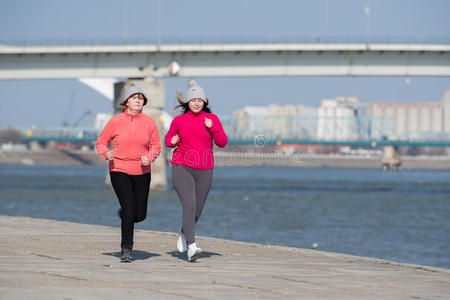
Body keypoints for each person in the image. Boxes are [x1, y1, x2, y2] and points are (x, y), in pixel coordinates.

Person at [96, 83, 161, 263]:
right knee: (130, 208)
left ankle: (125, 214)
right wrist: (106, 153)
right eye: (135, 98)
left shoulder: (149, 122)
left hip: (142, 171)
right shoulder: (116, 121)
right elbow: (101, 142)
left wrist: (150, 156)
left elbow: (156, 145)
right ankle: (126, 249)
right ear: (126, 102)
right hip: (119, 169)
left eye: (141, 99)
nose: (138, 101)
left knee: (140, 214)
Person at [165, 84, 228, 262]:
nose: (196, 103)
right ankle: (191, 246)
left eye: (200, 100)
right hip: (182, 166)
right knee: (189, 205)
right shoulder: (179, 121)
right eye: (193, 100)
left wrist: (213, 128)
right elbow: (168, 139)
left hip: (205, 169)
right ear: (187, 102)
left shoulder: (212, 119)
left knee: (198, 210)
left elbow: (222, 142)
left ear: (204, 102)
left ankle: (184, 232)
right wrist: (173, 140)